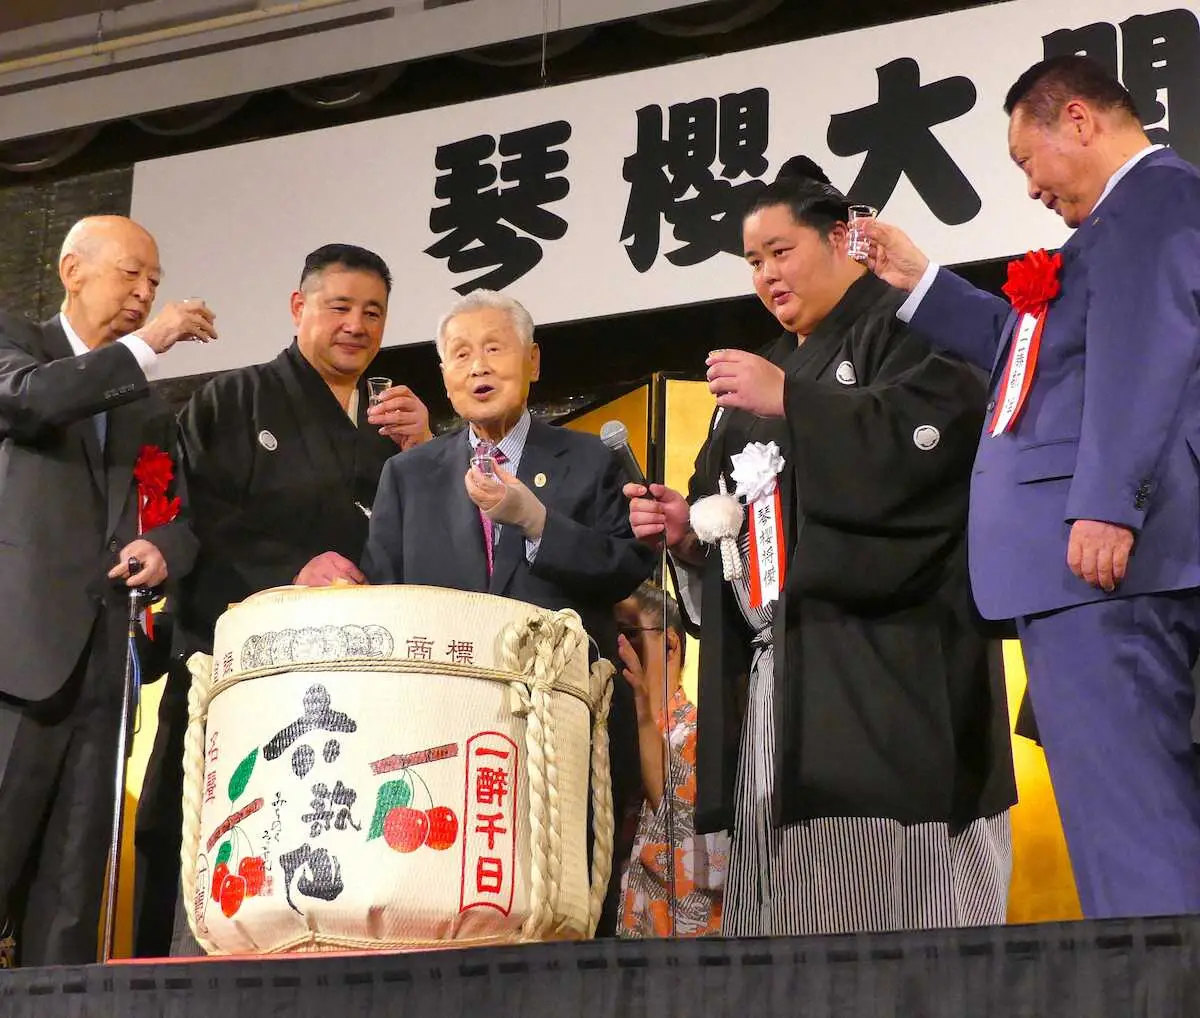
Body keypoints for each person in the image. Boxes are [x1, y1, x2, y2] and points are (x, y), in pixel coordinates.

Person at [626, 158, 1016, 937]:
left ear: (842, 239)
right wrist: (688, 534)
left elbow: (932, 450)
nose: (767, 274)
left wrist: (794, 401)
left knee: (896, 918)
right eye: (753, 260)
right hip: (782, 677)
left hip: (892, 671)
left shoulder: (907, 327)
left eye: (782, 251)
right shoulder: (764, 377)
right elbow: (725, 520)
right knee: (783, 918)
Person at [865, 54, 1200, 919]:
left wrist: (1104, 506)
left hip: (1105, 561)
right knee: (1125, 807)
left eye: (1026, 160)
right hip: (1098, 568)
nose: (1029, 188)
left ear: (1079, 121)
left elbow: (1144, 357)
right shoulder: (1124, 222)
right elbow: (1035, 351)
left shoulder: (1152, 202)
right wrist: (922, 285)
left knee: (1131, 815)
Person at [296, 288, 655, 932]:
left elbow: (626, 565)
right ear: (443, 376)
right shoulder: (410, 475)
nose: (479, 367)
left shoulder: (588, 460)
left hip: (563, 735)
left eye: (495, 348)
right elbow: (387, 597)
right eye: (461, 354)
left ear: (534, 360)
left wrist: (538, 523)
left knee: (567, 916)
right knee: (453, 920)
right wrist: (334, 584)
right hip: (445, 741)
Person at [134, 243, 432, 956]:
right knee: (215, 841)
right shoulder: (234, 398)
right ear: (299, 308)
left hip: (353, 682)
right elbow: (195, 517)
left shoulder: (391, 422)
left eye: (373, 313)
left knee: (332, 846)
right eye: (339, 307)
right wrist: (289, 568)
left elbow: (424, 543)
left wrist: (425, 452)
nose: (356, 325)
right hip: (241, 668)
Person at [0, 215, 209, 966]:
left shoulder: (146, 406)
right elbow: (29, 403)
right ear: (71, 269)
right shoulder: (15, 344)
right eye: (132, 274)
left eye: (154, 280)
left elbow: (185, 520)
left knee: (73, 890)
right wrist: (148, 344)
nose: (146, 292)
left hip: (106, 671)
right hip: (16, 660)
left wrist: (164, 548)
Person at [614, 582, 728, 938]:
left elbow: (700, 869)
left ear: (670, 643)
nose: (620, 647)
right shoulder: (613, 737)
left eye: (630, 634)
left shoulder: (700, 735)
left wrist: (644, 713)